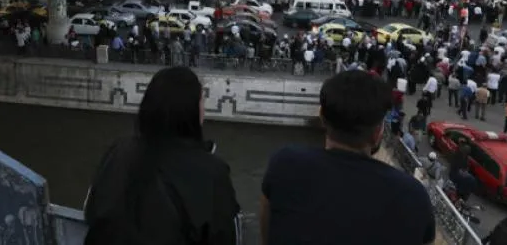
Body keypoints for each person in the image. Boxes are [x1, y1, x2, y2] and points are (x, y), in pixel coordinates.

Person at [260, 70, 434, 245]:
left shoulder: (285, 164)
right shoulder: (413, 196)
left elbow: (266, 235)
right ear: (377, 133)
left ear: (322, 118)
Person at [83, 66, 240, 245]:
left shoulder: (118, 152)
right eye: (202, 101)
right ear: (191, 110)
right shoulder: (213, 172)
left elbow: (92, 212)